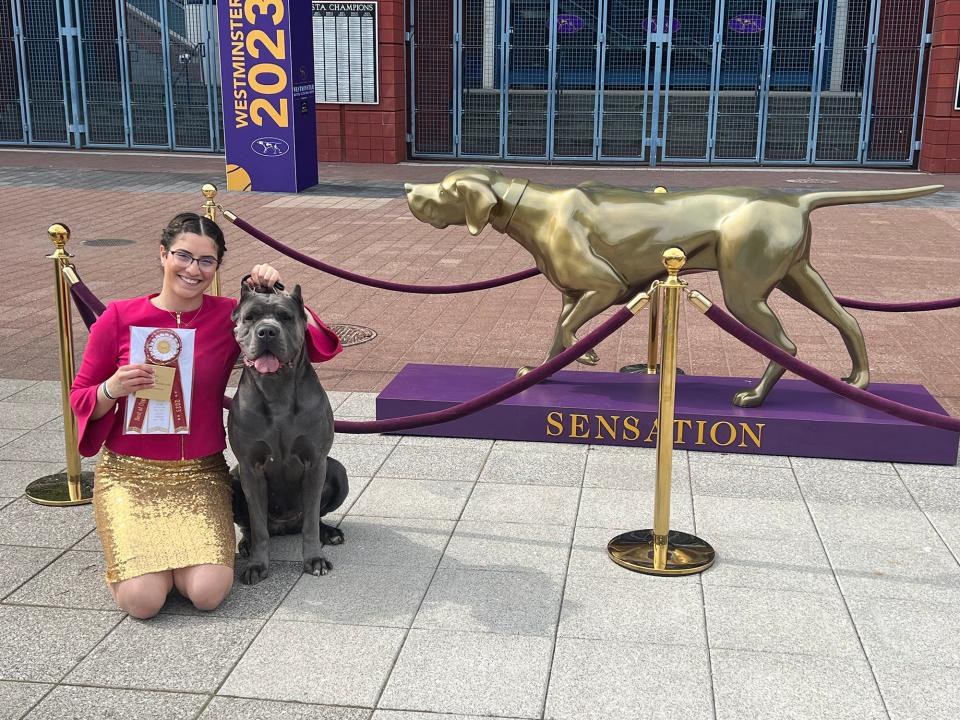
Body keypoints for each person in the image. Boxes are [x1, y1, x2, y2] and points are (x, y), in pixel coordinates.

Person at [70, 212, 342, 619]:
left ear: (217, 268)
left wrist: (275, 288)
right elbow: (79, 399)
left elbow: (315, 346)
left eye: (206, 261)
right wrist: (113, 388)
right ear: (163, 255)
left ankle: (178, 564)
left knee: (207, 594)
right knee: (144, 603)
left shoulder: (229, 316)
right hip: (131, 476)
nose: (193, 269)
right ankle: (153, 567)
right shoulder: (118, 318)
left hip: (199, 475)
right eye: (183, 256)